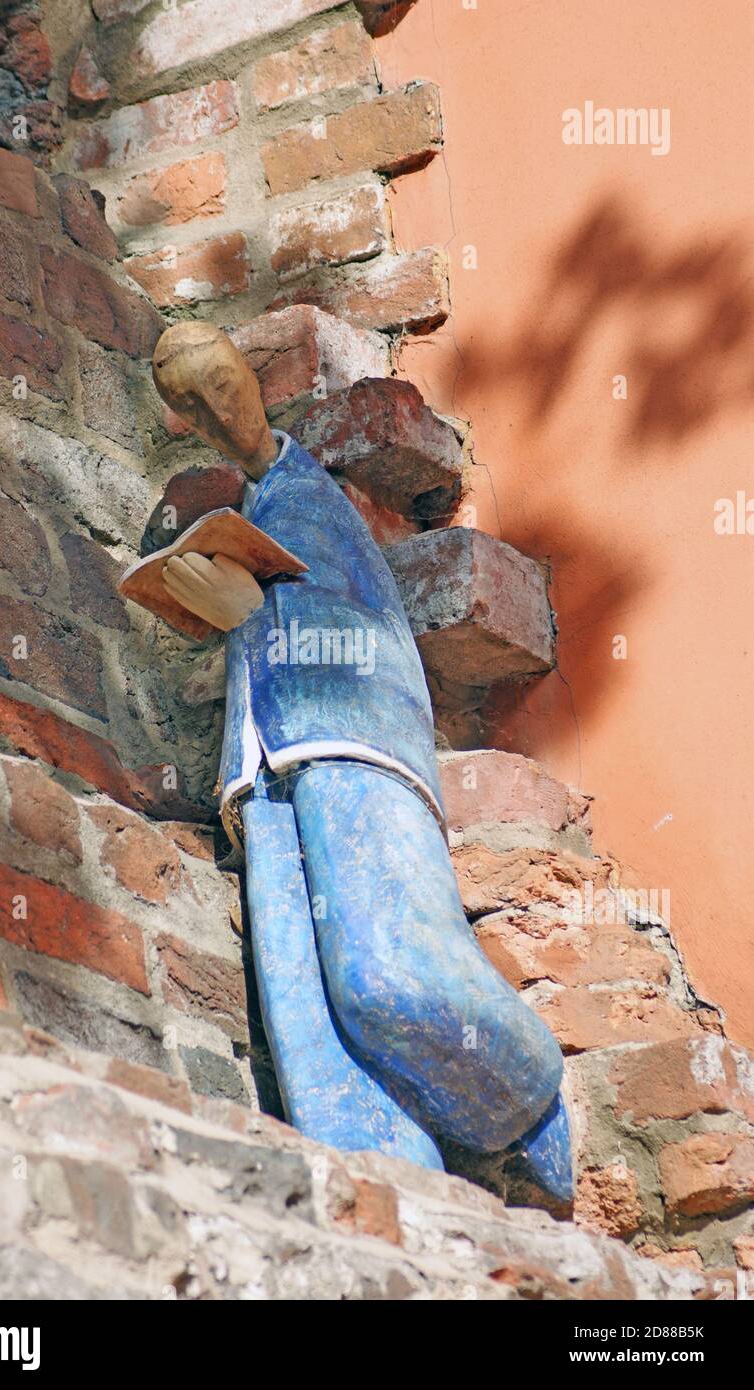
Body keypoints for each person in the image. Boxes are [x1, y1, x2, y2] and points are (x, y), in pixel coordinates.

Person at [149, 324, 573, 1199]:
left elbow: (357, 624)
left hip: (353, 749)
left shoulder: (300, 491)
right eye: (189, 397)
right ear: (178, 417)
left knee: (384, 973)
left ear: (248, 385)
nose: (213, 406)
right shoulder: (268, 507)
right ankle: (400, 1202)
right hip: (264, 776)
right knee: (313, 1039)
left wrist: (249, 607)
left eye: (218, 381)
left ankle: (529, 1103)